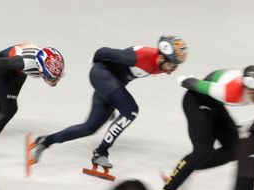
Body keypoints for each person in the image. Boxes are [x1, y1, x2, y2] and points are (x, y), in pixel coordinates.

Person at [29, 35, 187, 170]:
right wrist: (96, 62)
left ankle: (45, 141)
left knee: (89, 127)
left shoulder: (161, 64)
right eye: (172, 64)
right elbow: (103, 52)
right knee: (130, 110)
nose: (174, 69)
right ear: (161, 57)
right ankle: (101, 152)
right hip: (101, 75)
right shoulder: (140, 57)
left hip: (111, 85)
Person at [152, 65, 254, 190]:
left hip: (216, 105)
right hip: (196, 101)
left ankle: (181, 171)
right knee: (203, 151)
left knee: (235, 149)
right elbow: (191, 83)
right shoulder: (230, 92)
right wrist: (186, 79)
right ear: (250, 89)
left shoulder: (253, 87)